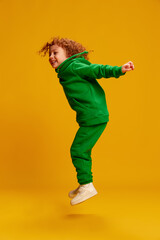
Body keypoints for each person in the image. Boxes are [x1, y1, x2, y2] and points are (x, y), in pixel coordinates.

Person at [38, 36, 134, 206]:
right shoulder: (66, 70)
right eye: (50, 53)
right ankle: (84, 183)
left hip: (94, 116)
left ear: (68, 55)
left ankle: (86, 185)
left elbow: (97, 70)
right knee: (84, 150)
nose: (51, 56)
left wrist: (119, 70)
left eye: (56, 53)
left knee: (78, 150)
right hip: (90, 116)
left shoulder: (74, 66)